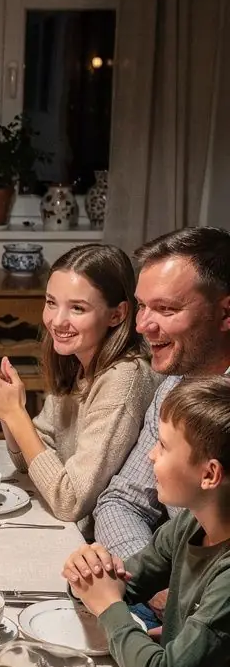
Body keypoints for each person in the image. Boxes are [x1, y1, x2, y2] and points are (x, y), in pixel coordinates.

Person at [62, 376, 230, 667]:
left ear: (209, 473)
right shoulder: (190, 525)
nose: (151, 455)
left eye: (164, 445)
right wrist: (89, 573)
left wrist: (108, 605)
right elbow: (123, 581)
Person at [0, 244, 157, 534]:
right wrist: (10, 413)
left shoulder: (124, 379)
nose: (57, 321)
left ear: (118, 314)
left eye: (77, 308)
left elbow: (69, 500)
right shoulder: (78, 360)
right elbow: (29, 463)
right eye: (51, 302)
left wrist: (14, 414)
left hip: (94, 545)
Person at [94, 227, 230, 562]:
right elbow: (123, 501)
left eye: (166, 309)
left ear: (225, 314)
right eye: (142, 306)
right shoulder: (172, 387)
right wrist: (150, 579)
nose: (142, 325)